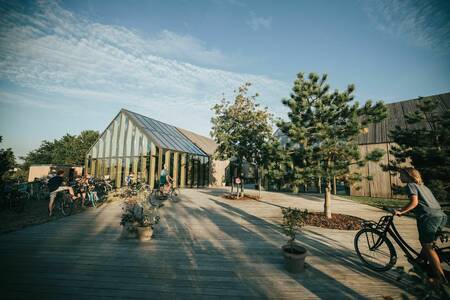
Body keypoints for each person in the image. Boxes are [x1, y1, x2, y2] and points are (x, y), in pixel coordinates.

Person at [395, 167, 447, 284]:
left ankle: (440, 278)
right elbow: (425, 203)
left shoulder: (410, 185)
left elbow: (414, 202)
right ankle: (421, 261)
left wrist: (401, 211)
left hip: (429, 217)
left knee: (428, 246)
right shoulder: (423, 187)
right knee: (429, 243)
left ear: (409, 176)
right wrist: (403, 209)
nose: (399, 177)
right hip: (441, 216)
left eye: (401, 175)